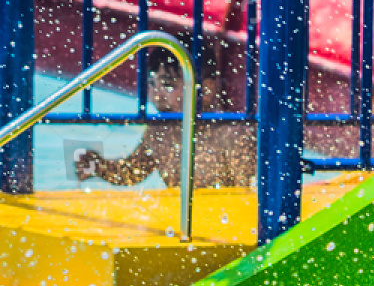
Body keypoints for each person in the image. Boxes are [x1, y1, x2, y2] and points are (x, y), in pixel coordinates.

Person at [74, 44, 256, 190]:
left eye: (168, 85)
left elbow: (247, 196)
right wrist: (99, 166)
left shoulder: (231, 133)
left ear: (205, 90)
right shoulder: (159, 131)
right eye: (152, 83)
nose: (157, 95)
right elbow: (132, 173)